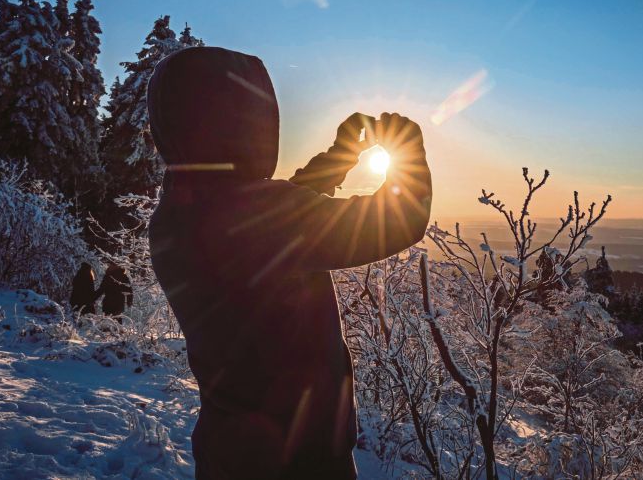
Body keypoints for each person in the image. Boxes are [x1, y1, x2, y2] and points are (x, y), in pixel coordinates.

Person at [147, 47, 432, 479]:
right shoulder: (255, 216)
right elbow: (399, 221)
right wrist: (407, 147)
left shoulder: (176, 212)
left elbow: (279, 222)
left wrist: (339, 156)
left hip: (227, 449)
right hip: (301, 457)